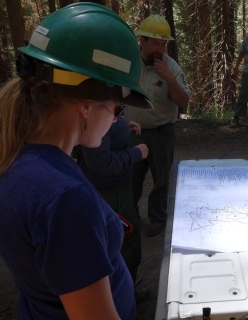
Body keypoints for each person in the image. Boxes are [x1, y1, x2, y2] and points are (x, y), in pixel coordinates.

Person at [0, 3, 153, 319]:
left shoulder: (17, 158)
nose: (115, 120)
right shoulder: (65, 198)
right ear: (86, 105)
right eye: (117, 108)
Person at [123, 15, 191, 237]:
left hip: (162, 132)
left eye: (163, 44)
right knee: (131, 177)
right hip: (132, 132)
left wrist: (169, 79)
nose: (159, 49)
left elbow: (184, 103)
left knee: (161, 179)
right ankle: (130, 217)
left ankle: (157, 218)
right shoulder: (129, 62)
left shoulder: (170, 67)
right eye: (155, 42)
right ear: (142, 40)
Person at [73, 116, 150, 302]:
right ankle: (123, 297)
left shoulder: (99, 110)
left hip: (114, 189)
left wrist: (122, 128)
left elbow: (103, 138)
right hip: (111, 192)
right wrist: (135, 153)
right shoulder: (97, 110)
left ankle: (122, 291)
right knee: (126, 244)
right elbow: (101, 162)